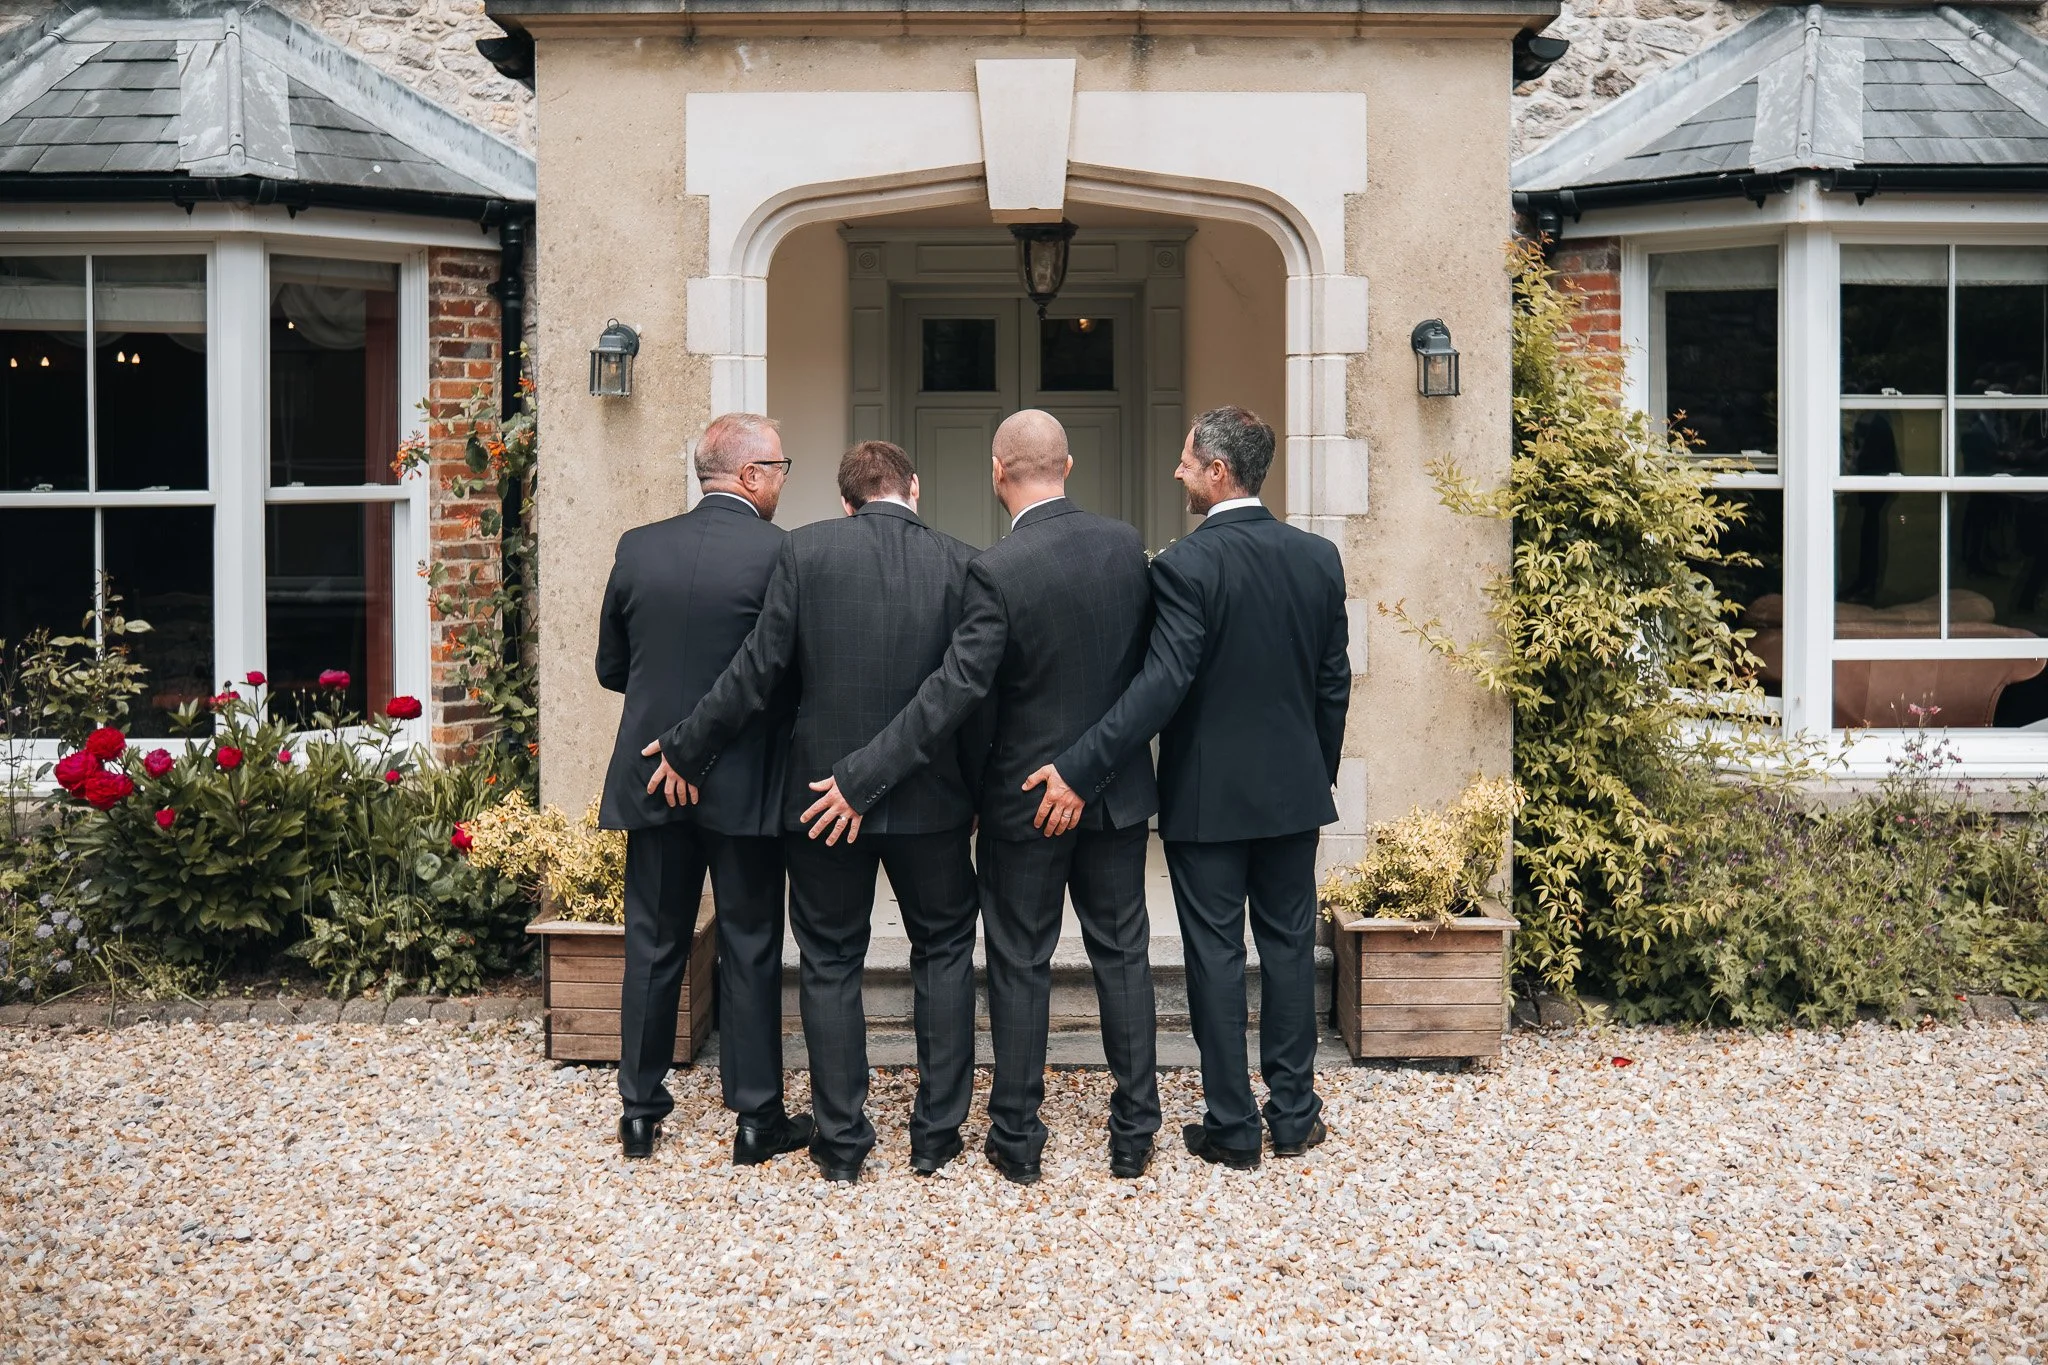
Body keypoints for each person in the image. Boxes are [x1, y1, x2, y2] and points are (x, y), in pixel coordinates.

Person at [804, 410, 1162, 1184]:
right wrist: (1094, 766)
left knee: (1021, 961)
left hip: (1024, 797)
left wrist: (890, 779)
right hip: (1115, 793)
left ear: (998, 471)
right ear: (1066, 464)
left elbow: (961, 693)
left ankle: (1018, 1137)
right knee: (1124, 955)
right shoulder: (1125, 547)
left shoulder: (996, 571)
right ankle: (1135, 1132)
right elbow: (1147, 680)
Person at [648, 441, 987, 1184]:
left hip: (822, 799)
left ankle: (841, 1142)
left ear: (846, 500)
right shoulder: (963, 562)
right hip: (932, 799)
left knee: (831, 960)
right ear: (915, 487)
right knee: (945, 949)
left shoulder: (803, 553)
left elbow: (755, 672)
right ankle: (935, 1134)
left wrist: (684, 744)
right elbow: (964, 694)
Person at [1024, 406, 1349, 1170]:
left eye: (1185, 460)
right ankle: (1295, 1114)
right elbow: (1332, 683)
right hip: (1293, 793)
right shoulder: (1318, 557)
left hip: (1207, 798)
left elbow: (1160, 687)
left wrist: (1079, 763)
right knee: (1290, 948)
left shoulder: (1183, 567)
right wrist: (1314, 769)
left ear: (1218, 472)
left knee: (1215, 955)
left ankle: (1233, 1127)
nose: (1176, 472)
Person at [594, 412, 810, 1164]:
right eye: (780, 466)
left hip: (655, 779)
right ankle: (756, 1119)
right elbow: (784, 676)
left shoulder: (639, 546)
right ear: (750, 476)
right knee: (749, 946)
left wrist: (675, 742)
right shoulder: (783, 555)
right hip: (744, 785)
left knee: (653, 941)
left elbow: (611, 668)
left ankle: (640, 1111)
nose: (784, 480)